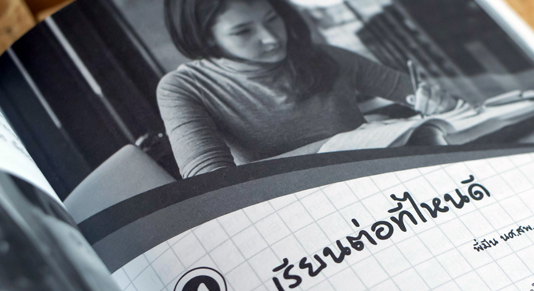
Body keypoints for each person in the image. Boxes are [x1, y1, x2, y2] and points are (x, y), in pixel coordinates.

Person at [159, 0, 460, 178]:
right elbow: (213, 182)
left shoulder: (325, 56)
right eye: (243, 31)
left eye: (272, 19)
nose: (271, 38)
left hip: (382, 180)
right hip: (297, 212)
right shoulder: (182, 88)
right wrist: (347, 143)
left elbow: (435, 99)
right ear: (206, 38)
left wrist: (439, 104)